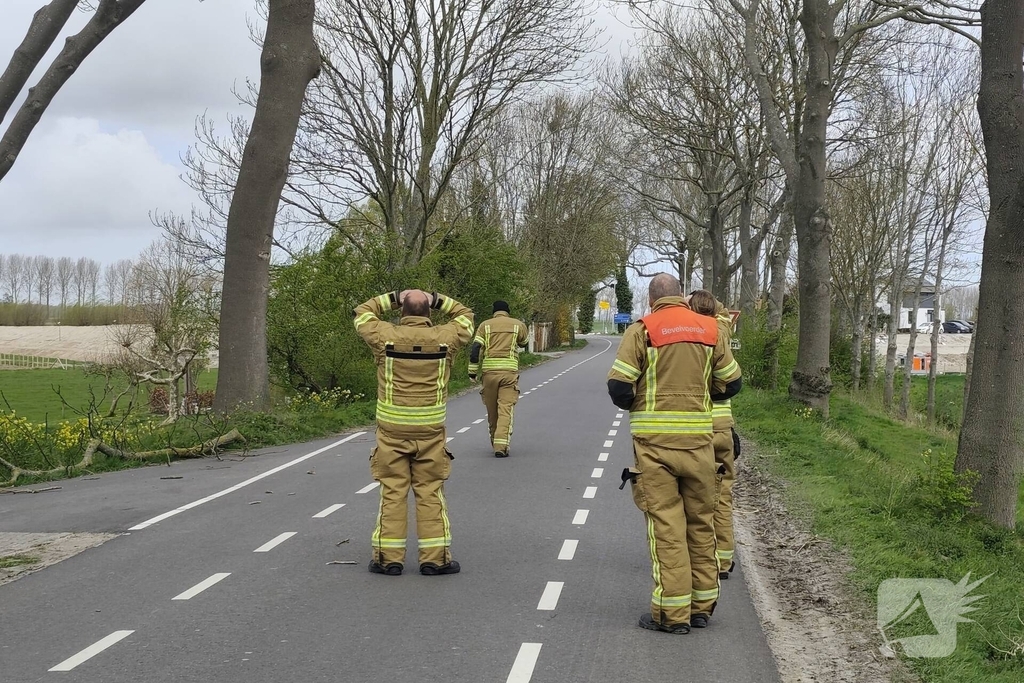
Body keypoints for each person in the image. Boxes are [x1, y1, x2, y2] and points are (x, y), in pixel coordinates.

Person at [607, 274, 742, 634]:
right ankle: (702, 607)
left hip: (655, 448)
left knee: (667, 527)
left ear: (652, 300)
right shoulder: (710, 329)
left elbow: (619, 388)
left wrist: (645, 398)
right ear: (681, 296)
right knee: (701, 524)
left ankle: (671, 614)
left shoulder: (644, 330)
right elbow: (731, 383)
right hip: (700, 445)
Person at [354, 289, 474, 576]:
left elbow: (361, 314)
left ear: (401, 312)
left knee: (393, 491)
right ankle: (435, 560)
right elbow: (467, 317)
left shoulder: (385, 336)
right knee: (430, 491)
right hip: (430, 432)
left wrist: (394, 296)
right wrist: (437, 298)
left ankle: (388, 559)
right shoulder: (446, 337)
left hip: (392, 432)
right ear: (430, 312)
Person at [687, 290, 742, 580]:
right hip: (722, 427)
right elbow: (733, 382)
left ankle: (697, 557)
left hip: (695, 429)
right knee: (722, 495)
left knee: (694, 498)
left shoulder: (685, 338)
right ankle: (723, 560)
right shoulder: (721, 332)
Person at [468, 301, 529, 458]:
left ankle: (495, 441)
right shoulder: (517, 325)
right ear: (507, 311)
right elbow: (524, 342)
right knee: (505, 409)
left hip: (489, 374)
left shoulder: (485, 326)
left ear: (494, 312)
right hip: (509, 374)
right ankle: (500, 446)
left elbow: (475, 349)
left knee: (492, 411)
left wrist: (472, 371)